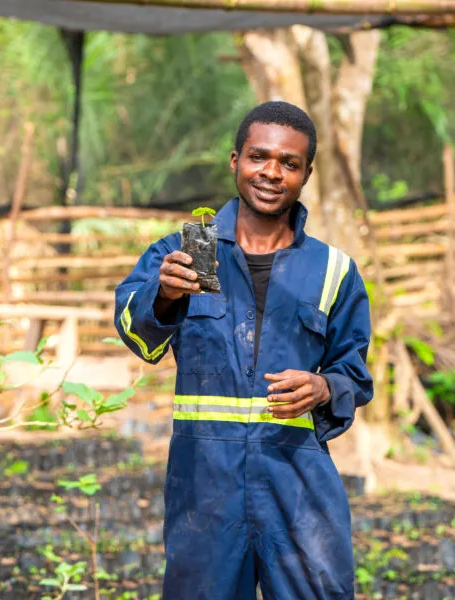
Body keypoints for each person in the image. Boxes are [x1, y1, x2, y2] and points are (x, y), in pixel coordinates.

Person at [114, 101, 373, 600]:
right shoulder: (187, 252)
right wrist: (163, 294)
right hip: (204, 486)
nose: (271, 172)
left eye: (289, 163)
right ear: (235, 161)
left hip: (297, 484)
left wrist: (323, 386)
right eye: (259, 157)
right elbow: (134, 330)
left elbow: (354, 377)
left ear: (306, 173)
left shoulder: (334, 270)